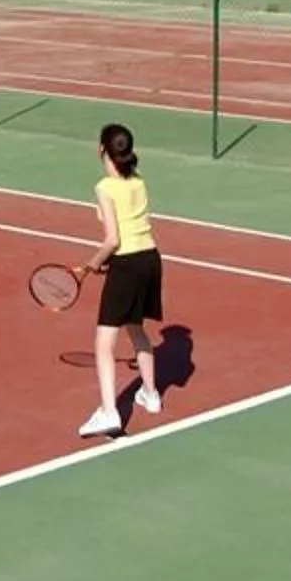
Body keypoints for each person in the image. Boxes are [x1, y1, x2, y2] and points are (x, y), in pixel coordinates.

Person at [79, 122, 166, 436]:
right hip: (150, 260)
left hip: (127, 263)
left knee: (104, 342)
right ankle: (151, 395)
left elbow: (113, 240)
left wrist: (90, 265)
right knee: (136, 327)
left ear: (102, 149)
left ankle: (108, 412)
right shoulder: (139, 181)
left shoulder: (104, 188)